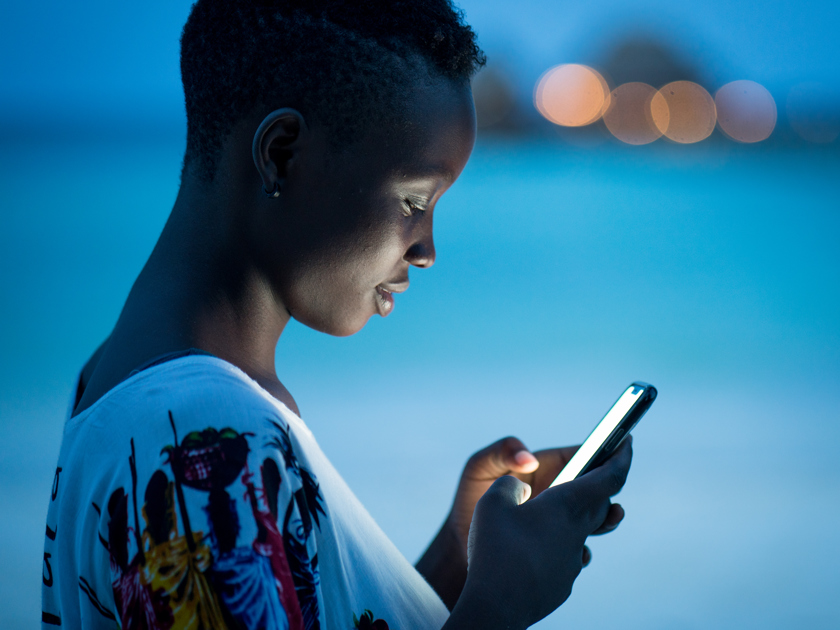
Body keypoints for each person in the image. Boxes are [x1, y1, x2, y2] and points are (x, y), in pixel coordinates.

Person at [41, 1, 633, 628]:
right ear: (282, 154)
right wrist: (502, 603)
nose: (428, 250)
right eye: (413, 201)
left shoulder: (131, 380)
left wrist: (461, 558)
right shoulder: (204, 440)